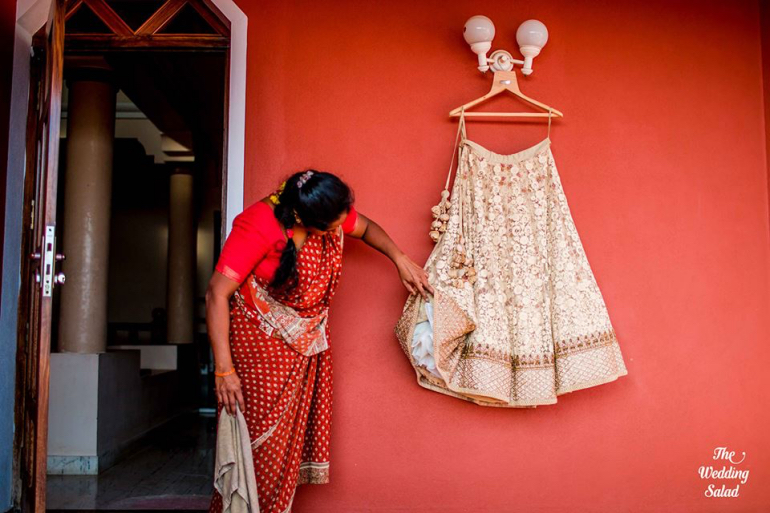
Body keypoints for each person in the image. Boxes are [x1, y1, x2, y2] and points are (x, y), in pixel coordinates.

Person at [207, 169, 433, 512]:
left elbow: (366, 228)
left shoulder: (322, 211)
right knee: (259, 447)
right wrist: (224, 370)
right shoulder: (257, 225)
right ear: (300, 216)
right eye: (331, 227)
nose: (340, 230)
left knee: (286, 447)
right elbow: (216, 294)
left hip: (304, 346)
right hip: (259, 349)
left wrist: (399, 258)